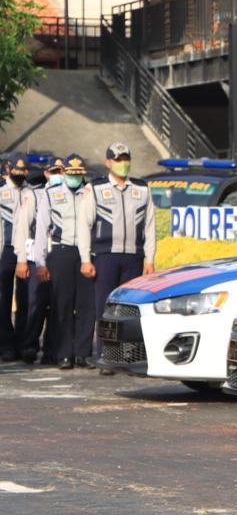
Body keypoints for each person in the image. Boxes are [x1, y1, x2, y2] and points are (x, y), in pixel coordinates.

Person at [78, 143, 156, 373]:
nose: (123, 162)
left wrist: (150, 259)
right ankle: (105, 355)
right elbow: (84, 225)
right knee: (105, 308)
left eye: (126, 157)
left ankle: (128, 356)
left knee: (130, 309)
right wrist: (85, 259)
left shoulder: (142, 188)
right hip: (105, 257)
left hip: (133, 257)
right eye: (118, 158)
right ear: (108, 162)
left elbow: (150, 227)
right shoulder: (96, 188)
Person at [35, 155, 95, 370]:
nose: (74, 178)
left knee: (86, 306)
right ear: (64, 173)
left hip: (85, 252)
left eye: (78, 175)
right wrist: (40, 261)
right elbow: (42, 228)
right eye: (71, 174)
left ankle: (83, 353)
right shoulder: (52, 194)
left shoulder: (89, 193)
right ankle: (64, 354)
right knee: (62, 305)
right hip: (61, 252)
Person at [14, 157, 63, 364]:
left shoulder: (67, 195)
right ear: (46, 173)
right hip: (36, 256)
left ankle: (52, 349)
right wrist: (21, 259)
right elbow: (23, 226)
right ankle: (30, 346)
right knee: (36, 303)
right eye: (54, 171)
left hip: (59, 255)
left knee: (57, 304)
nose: (58, 175)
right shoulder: (35, 194)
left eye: (61, 171)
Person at [0, 153, 31, 362]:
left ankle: (24, 343)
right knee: (2, 299)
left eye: (23, 170)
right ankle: (6, 344)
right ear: (7, 168)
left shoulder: (33, 193)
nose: (19, 173)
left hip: (28, 252)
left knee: (27, 299)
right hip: (5, 250)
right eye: (16, 169)